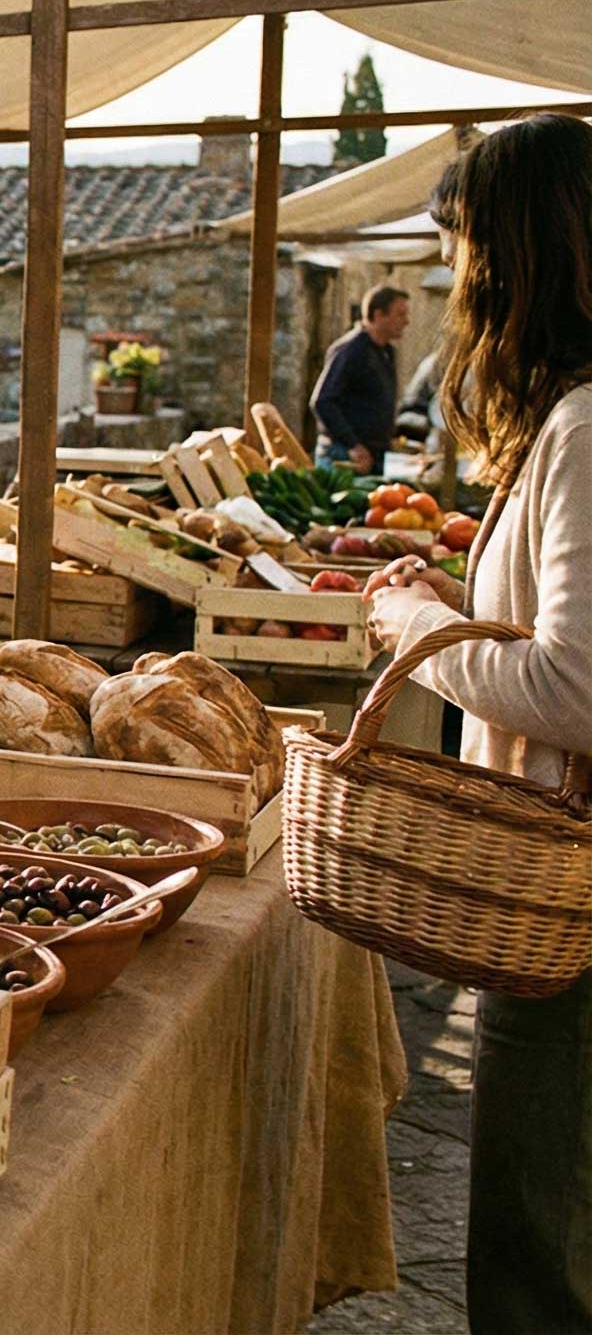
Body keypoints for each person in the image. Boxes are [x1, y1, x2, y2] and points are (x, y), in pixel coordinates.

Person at [362, 114, 592, 1331]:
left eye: (460, 249)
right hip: (560, 892)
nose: (453, 282)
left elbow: (575, 688)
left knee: (534, 1248)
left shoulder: (586, 431)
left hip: (574, 902)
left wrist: (418, 638)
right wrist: (456, 605)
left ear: (513, 254)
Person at [312, 283, 412, 470]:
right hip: (345, 455)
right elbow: (323, 401)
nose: (406, 321)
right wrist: (353, 445)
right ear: (378, 315)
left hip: (374, 455)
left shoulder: (387, 352)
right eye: (400, 314)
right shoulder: (351, 350)